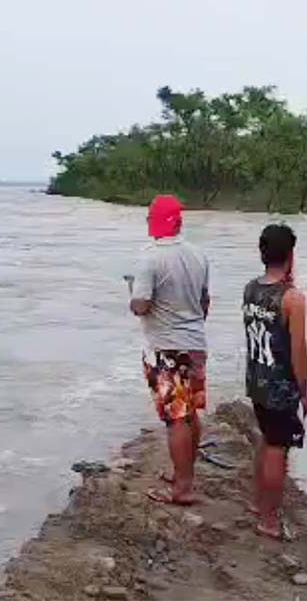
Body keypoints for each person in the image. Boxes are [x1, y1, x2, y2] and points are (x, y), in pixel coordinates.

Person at [128, 194, 210, 506]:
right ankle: (184, 474)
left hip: (165, 348)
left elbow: (141, 306)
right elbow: (204, 303)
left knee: (176, 418)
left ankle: (183, 487)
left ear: (154, 221)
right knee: (189, 414)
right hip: (195, 345)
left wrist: (131, 293)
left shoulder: (148, 258)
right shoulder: (198, 255)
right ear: (179, 221)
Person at [243, 223, 307, 540]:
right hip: (280, 386)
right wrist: (305, 390)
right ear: (291, 254)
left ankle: (260, 504)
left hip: (256, 378)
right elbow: (299, 351)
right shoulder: (293, 299)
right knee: (277, 449)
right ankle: (269, 519)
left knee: (266, 439)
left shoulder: (251, 289)